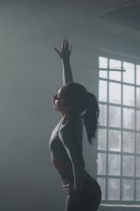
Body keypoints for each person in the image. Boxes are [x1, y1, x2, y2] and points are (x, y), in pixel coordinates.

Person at [50, 39, 102, 211]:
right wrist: (65, 61)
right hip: (85, 188)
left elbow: (78, 162)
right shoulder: (71, 117)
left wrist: (77, 189)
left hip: (83, 189)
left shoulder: (66, 129)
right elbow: (69, 86)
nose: (54, 97)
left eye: (58, 97)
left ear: (68, 105)